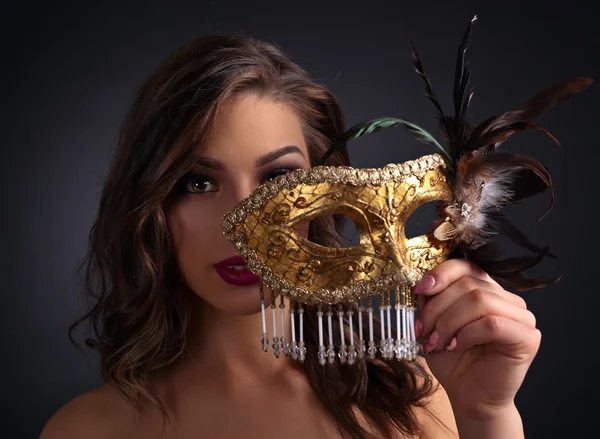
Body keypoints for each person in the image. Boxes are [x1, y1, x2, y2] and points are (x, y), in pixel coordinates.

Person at [40, 33, 540, 439]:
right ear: (150, 203)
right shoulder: (89, 429)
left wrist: (487, 416)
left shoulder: (419, 398)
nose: (242, 224)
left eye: (277, 181)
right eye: (199, 183)